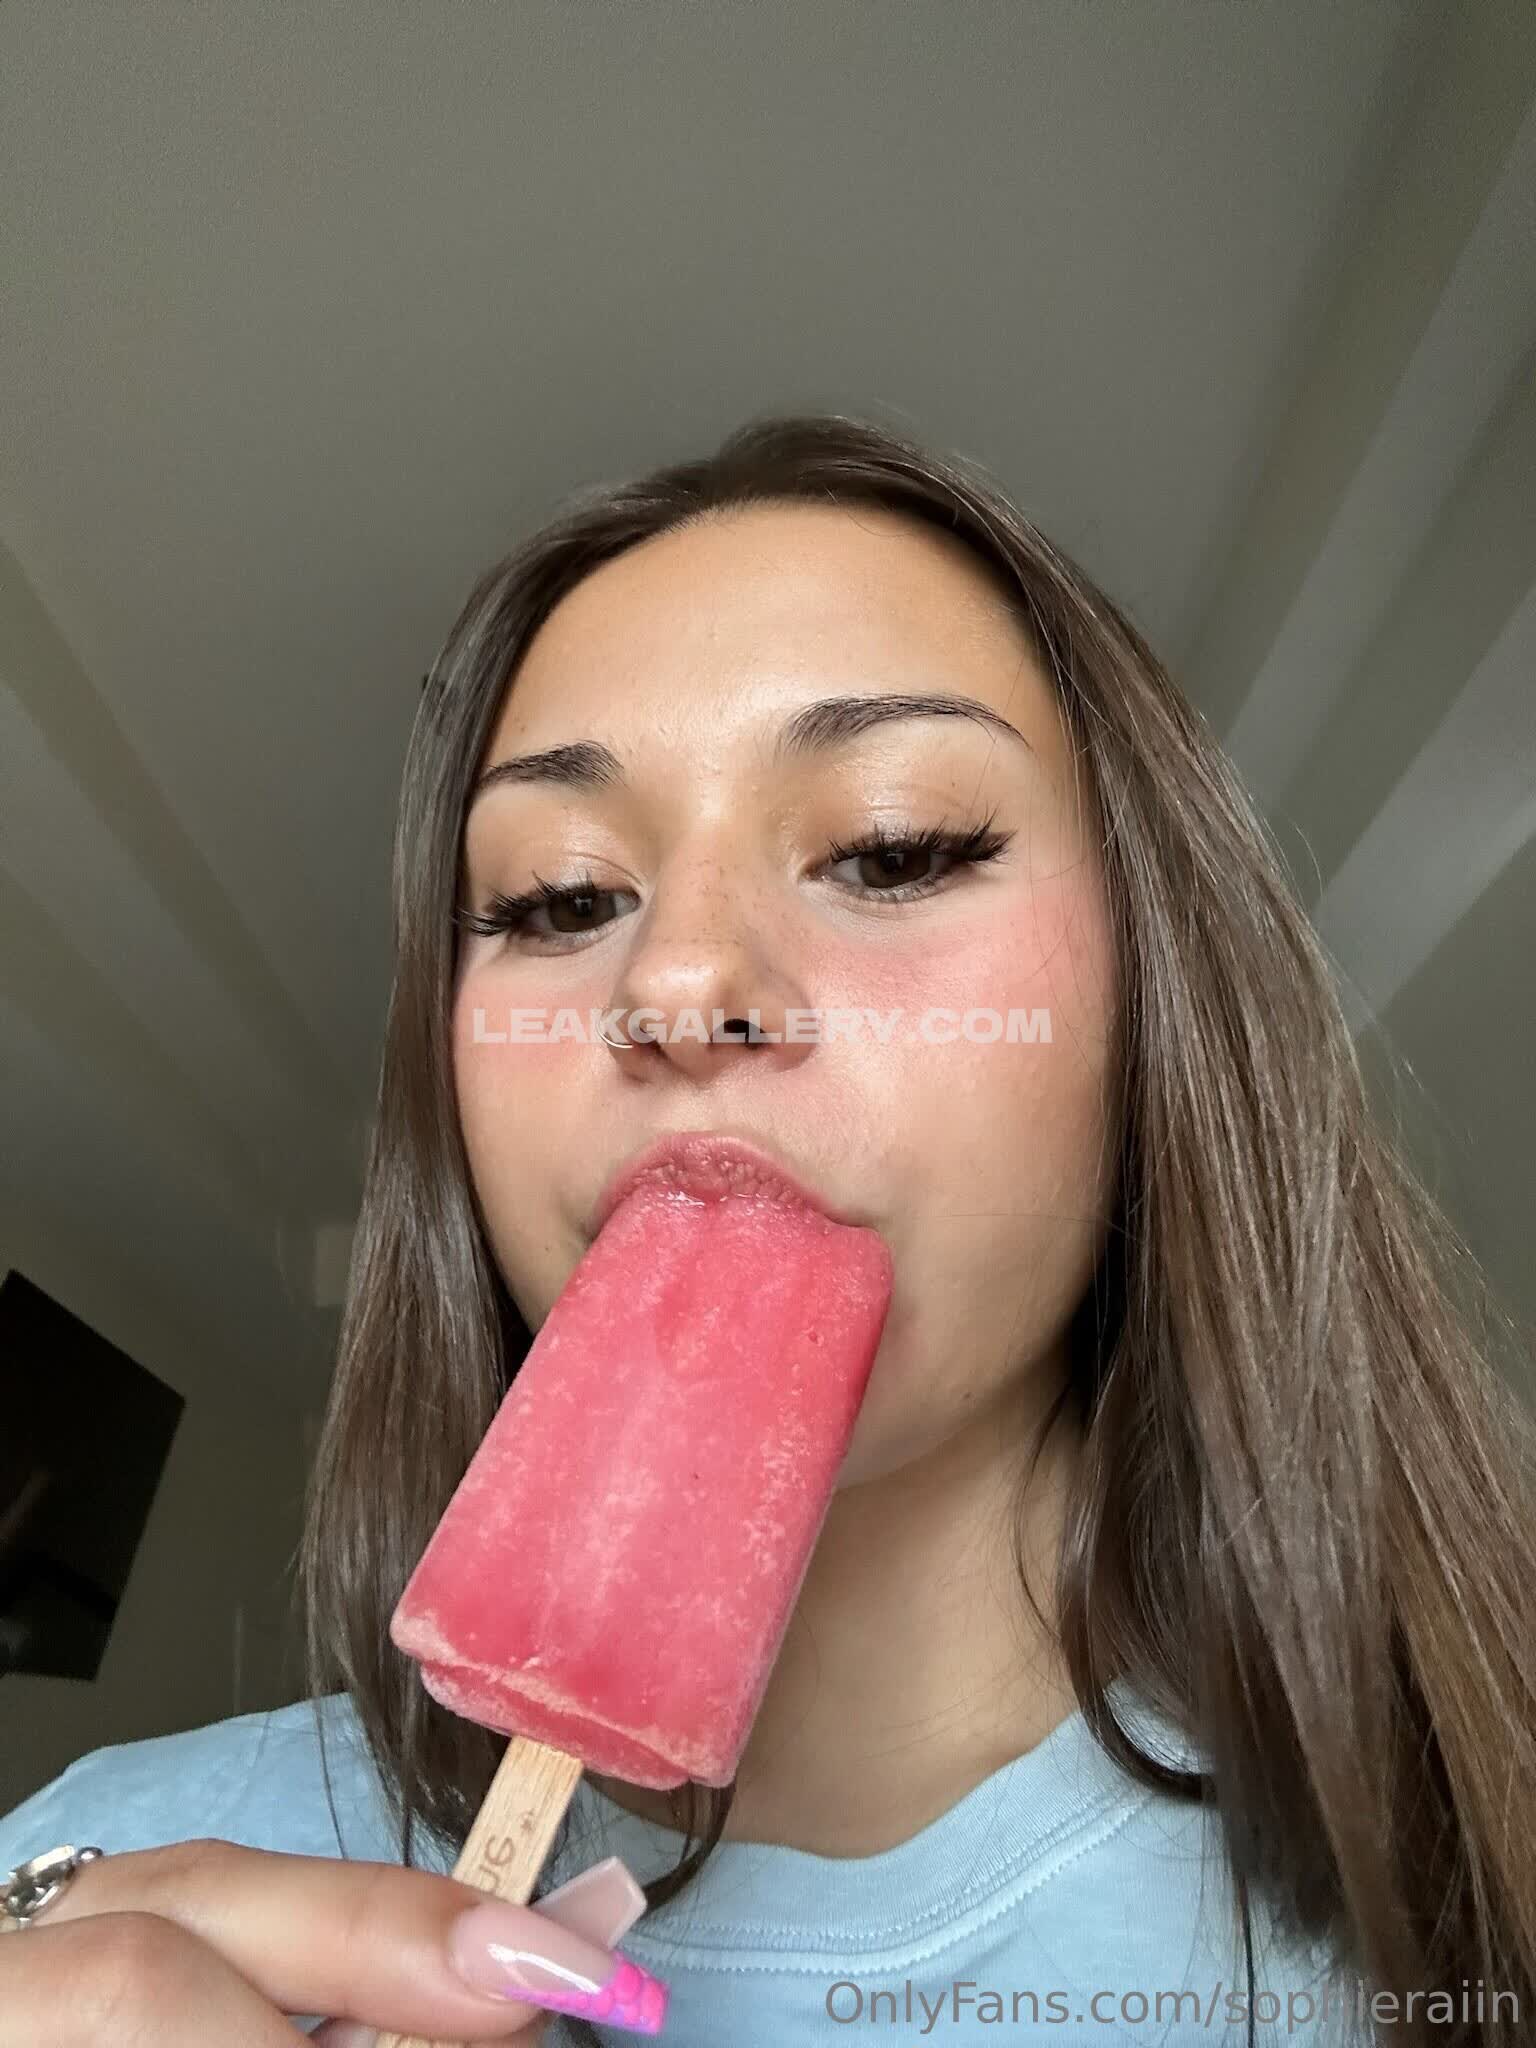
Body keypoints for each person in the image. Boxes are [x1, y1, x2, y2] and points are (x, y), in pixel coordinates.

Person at [2, 411, 1533, 2047]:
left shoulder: (1459, 1900)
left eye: (892, 849)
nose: (674, 981)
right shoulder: (100, 1870)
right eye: (561, 900)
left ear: (1154, 1004)